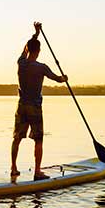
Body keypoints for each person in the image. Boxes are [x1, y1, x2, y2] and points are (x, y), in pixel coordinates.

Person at [11, 21, 67, 180]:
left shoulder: (21, 63)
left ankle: (13, 168)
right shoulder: (41, 67)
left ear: (28, 49)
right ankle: (37, 172)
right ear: (39, 51)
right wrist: (65, 78)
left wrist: (36, 34)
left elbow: (25, 48)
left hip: (21, 106)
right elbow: (57, 79)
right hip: (35, 107)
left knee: (17, 138)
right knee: (38, 139)